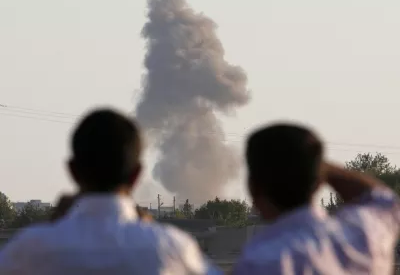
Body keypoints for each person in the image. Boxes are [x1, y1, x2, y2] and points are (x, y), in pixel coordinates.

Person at [0, 108, 221, 275]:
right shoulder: (172, 248)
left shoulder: (30, 249)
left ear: (73, 171)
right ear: (136, 174)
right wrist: (151, 230)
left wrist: (52, 228)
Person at [233, 124, 400, 275]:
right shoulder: (364, 235)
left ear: (253, 187)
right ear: (319, 182)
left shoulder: (261, 262)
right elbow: (382, 199)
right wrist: (314, 165)